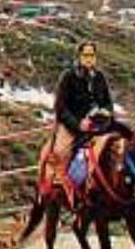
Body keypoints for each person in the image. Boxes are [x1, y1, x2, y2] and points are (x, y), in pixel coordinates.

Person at [51, 41, 128, 192]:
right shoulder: (68, 76)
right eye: (85, 55)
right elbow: (60, 107)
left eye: (92, 55)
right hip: (73, 123)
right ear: (79, 57)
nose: (89, 59)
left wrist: (107, 111)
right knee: (61, 150)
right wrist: (77, 124)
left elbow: (107, 102)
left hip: (98, 122)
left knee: (126, 136)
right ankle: (60, 180)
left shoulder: (99, 77)